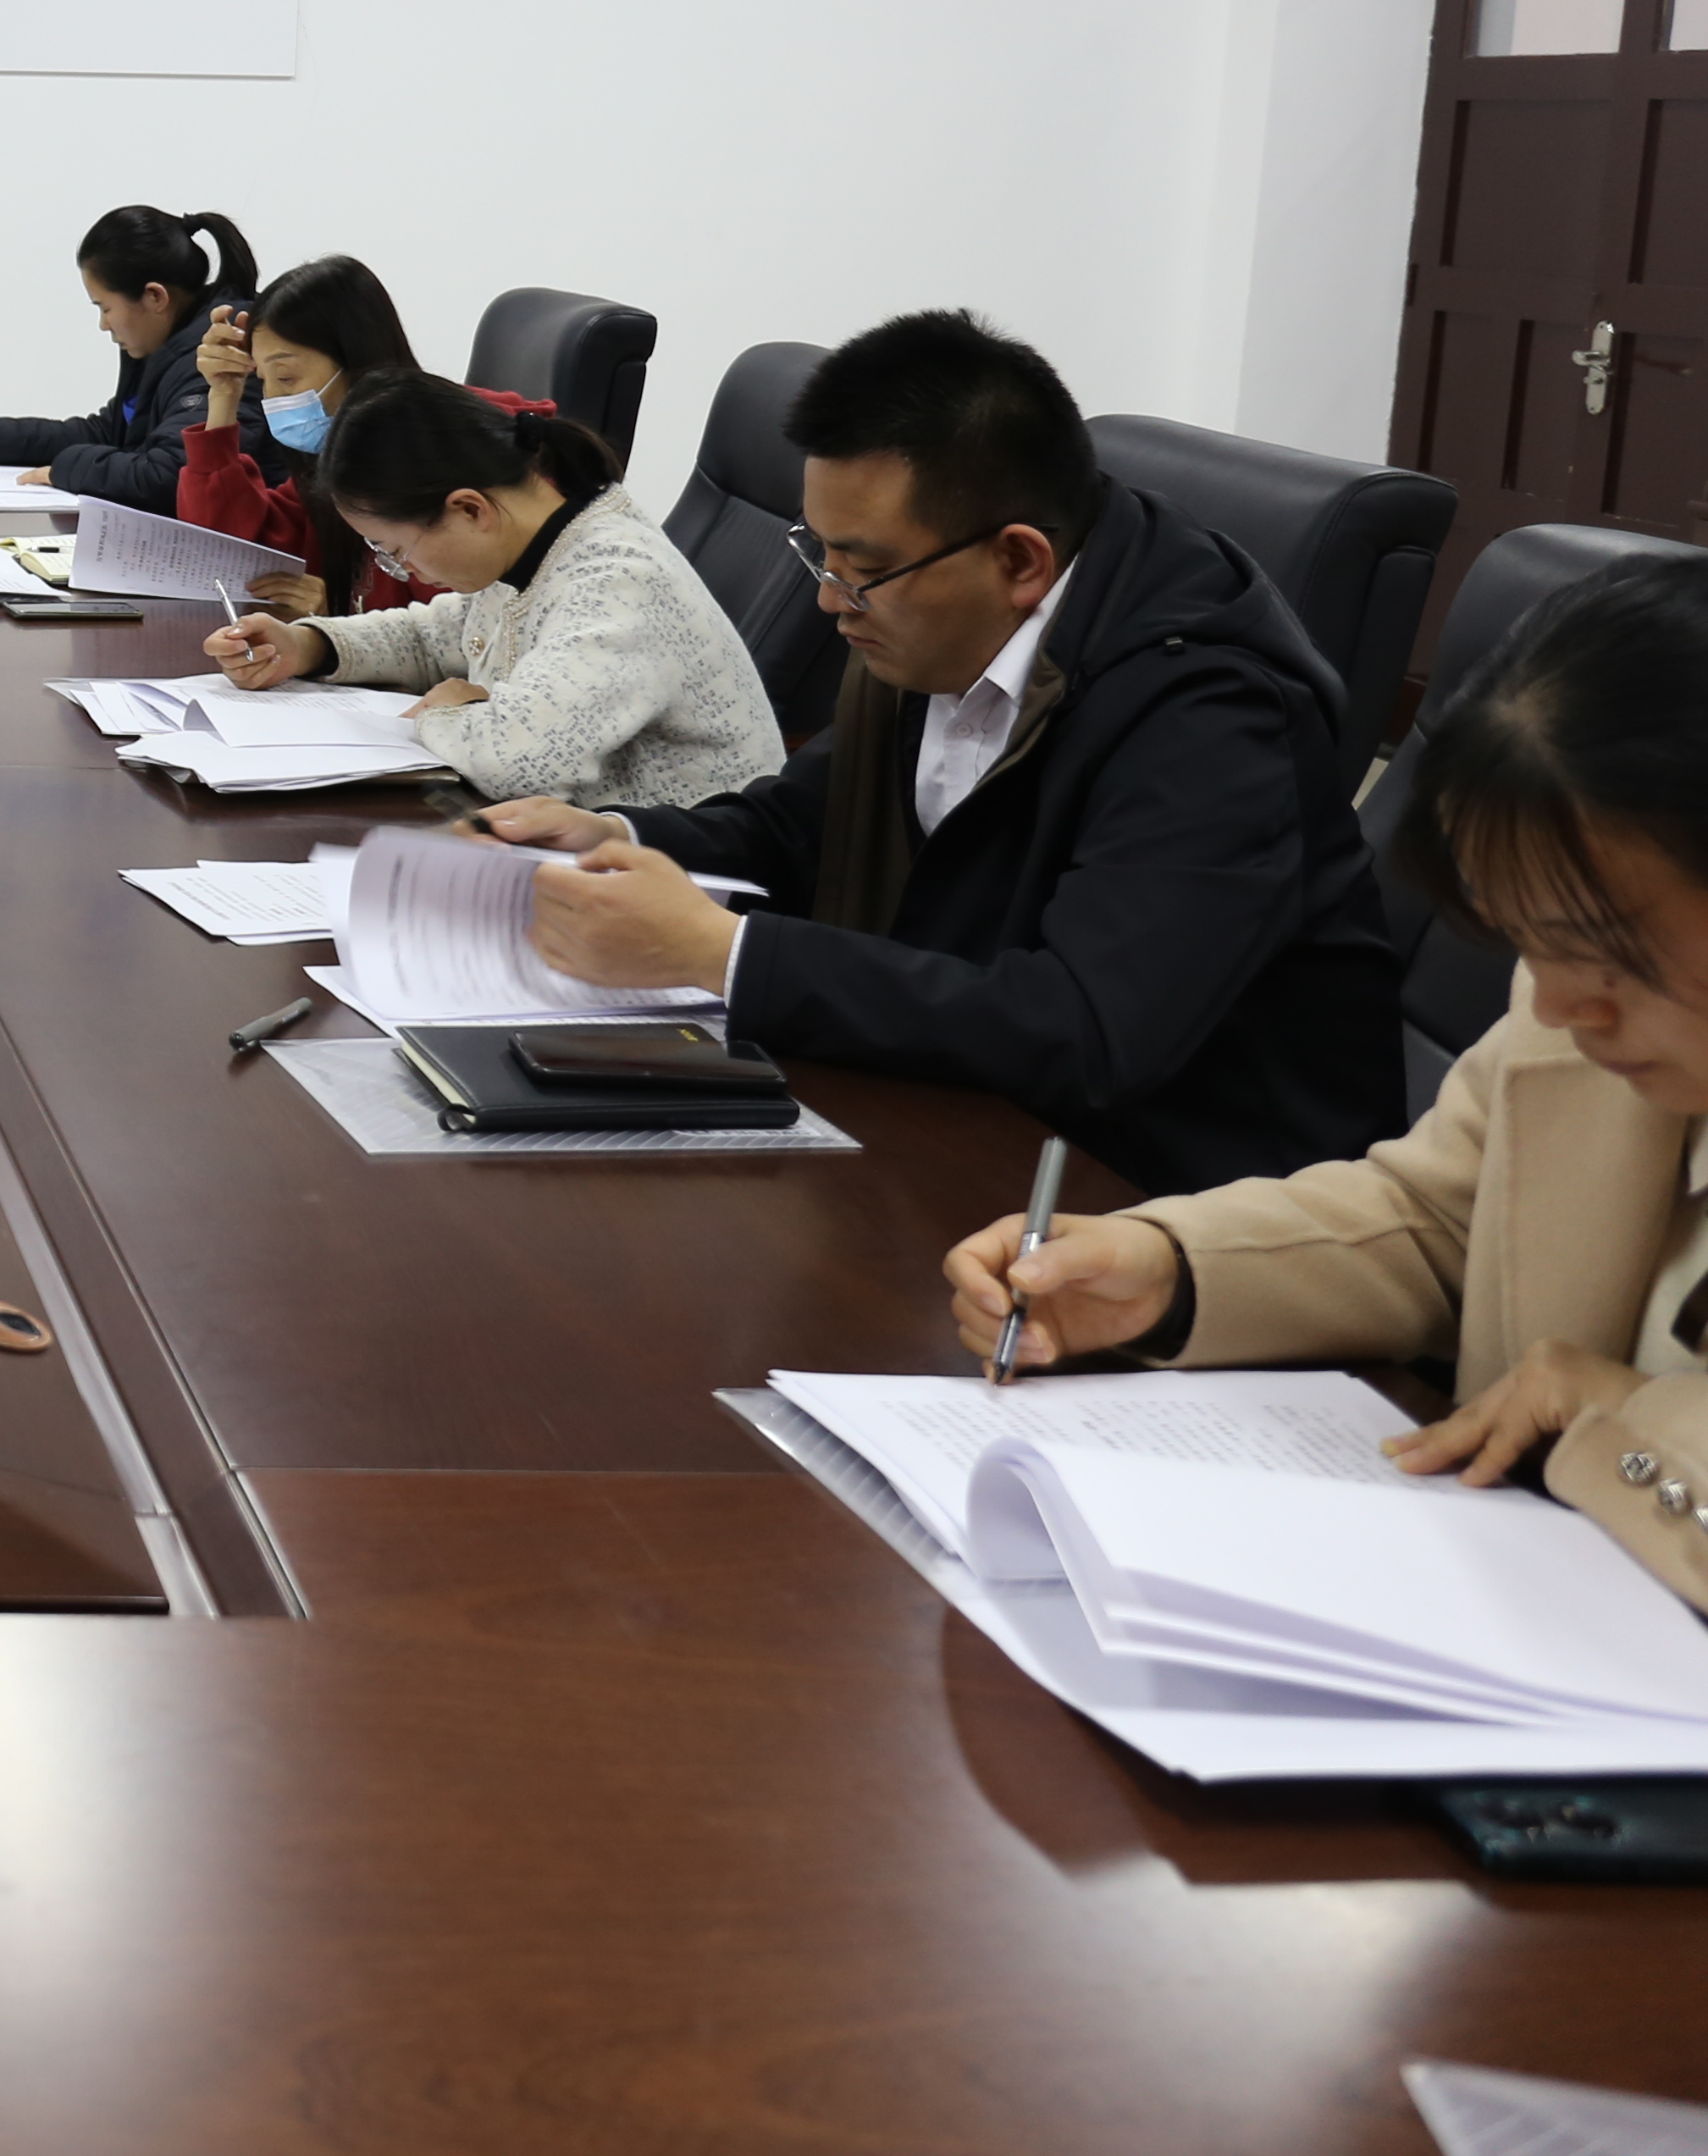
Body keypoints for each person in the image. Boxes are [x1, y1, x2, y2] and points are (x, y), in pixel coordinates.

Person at [478, 309, 1400, 1195]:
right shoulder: (940, 616)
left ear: (1021, 562)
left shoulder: (1209, 719)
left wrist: (725, 953)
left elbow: (1088, 1030)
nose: (830, 600)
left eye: (864, 569)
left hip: (1162, 1200)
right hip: (968, 1115)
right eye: (821, 554)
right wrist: (617, 837)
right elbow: (802, 827)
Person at [941, 554, 1708, 1608]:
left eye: (1605, 948)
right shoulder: (1576, 1011)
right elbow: (1442, 1221)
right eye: (1529, 942)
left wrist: (1624, 1421)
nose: (1562, 1005)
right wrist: (1167, 1273)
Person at [203, 376, 781, 808]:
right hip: (587, 851)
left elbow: (518, 763)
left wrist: (447, 712)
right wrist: (309, 645)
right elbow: (437, 636)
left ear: (468, 509)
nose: (401, 571)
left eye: (395, 550)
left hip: (687, 881)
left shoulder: (616, 582)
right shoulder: (536, 544)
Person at [180, 254, 551, 616]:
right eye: (262, 381)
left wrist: (335, 621)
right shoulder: (337, 457)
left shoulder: (451, 456)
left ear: (355, 360)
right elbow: (230, 553)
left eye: (286, 378)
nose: (273, 400)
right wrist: (224, 395)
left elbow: (457, 626)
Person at [0, 207, 266, 516]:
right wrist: (0, 438)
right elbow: (110, 432)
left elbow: (168, 477)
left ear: (155, 296)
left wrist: (68, 468)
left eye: (105, 308)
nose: (104, 325)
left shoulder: (222, 353)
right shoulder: (167, 345)